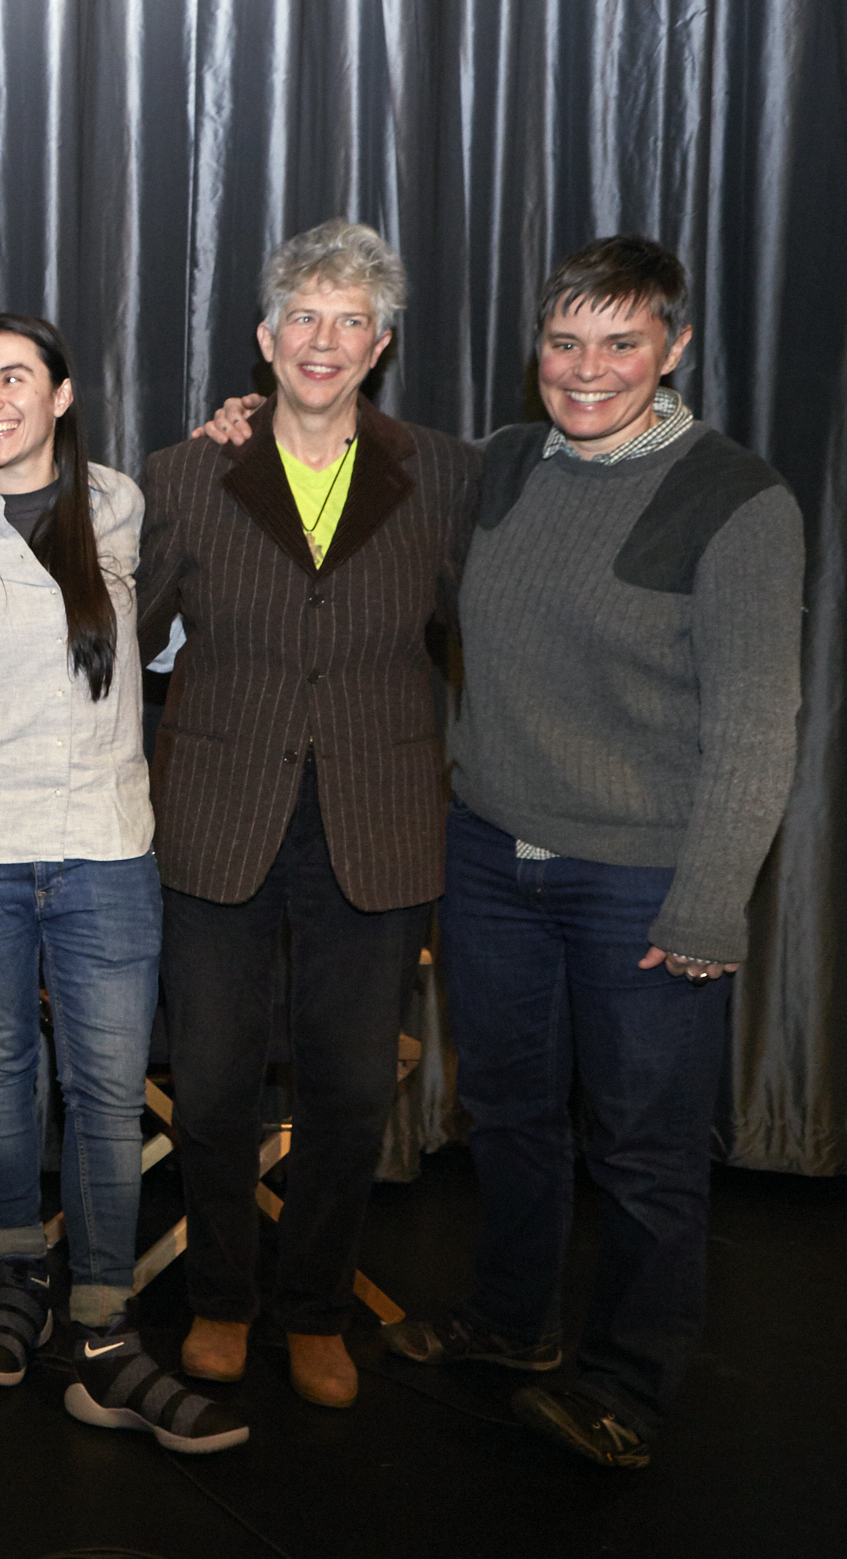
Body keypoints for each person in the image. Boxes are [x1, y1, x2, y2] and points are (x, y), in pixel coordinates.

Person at [383, 237, 803, 1468]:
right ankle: (514, 1323)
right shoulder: (507, 465)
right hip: (488, 859)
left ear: (673, 350)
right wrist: (248, 430)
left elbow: (756, 725)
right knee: (506, 1113)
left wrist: (713, 903)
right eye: (565, 341)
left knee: (643, 1146)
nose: (588, 368)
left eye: (622, 342)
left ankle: (631, 1379)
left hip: (642, 880)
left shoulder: (737, 500)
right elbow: (358, 478)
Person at [137, 220, 478, 1410]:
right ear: (264, 337)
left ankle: (317, 1308)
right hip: (220, 815)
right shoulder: (187, 473)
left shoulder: (446, 472)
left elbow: (492, 638)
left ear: (379, 343)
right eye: (303, 316)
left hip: (376, 824)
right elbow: (109, 642)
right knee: (218, 1083)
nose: (323, 340)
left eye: (350, 319)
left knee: (343, 1090)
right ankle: (223, 1301)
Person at [0, 312, 246, 1454]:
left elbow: (172, 629)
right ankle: (15, 1278)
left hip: (102, 846)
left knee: (102, 1091)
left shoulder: (128, 506)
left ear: (61, 394)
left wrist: (231, 436)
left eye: (13, 378)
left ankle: (102, 1323)